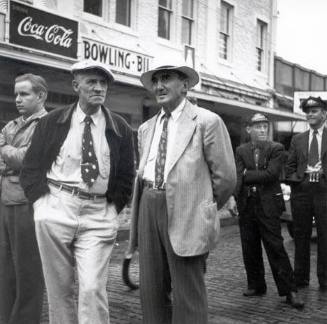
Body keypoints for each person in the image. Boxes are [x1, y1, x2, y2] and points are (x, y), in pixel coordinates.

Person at [20, 60, 135, 324]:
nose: (98, 88)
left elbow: (127, 176)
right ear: (76, 86)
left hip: (98, 213)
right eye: (91, 82)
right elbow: (31, 167)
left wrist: (111, 209)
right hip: (56, 207)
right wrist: (42, 206)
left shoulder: (119, 128)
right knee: (59, 291)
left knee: (93, 289)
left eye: (103, 83)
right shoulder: (52, 122)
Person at [126, 57, 236, 324]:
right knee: (151, 289)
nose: (160, 85)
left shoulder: (207, 122)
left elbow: (226, 178)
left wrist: (201, 206)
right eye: (156, 80)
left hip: (187, 211)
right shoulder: (146, 127)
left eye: (167, 78)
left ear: (185, 85)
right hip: (148, 204)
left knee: (188, 292)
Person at [234, 113, 304, 309]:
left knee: (276, 247)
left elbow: (271, 174)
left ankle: (290, 291)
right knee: (250, 247)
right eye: (258, 127)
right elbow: (238, 176)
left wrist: (248, 174)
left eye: (265, 126)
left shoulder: (276, 148)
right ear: (249, 130)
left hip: (268, 205)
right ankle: (256, 285)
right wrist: (234, 196)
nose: (263, 130)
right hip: (247, 204)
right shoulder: (241, 150)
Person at [0, 73, 47, 324]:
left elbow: (27, 159)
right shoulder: (13, 124)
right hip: (6, 200)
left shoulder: (46, 124)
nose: (18, 99)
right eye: (16, 94)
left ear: (41, 96)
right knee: (6, 269)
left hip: (27, 202)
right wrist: (10, 157)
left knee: (28, 270)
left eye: (24, 94)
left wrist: (5, 151)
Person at [285, 96, 327, 291]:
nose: (310, 114)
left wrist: (322, 173)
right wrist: (300, 178)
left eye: (315, 110)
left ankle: (324, 279)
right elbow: (289, 168)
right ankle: (300, 278)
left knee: (325, 236)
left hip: (324, 191)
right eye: (308, 111)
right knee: (301, 235)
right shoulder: (298, 139)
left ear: (324, 114)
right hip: (302, 192)